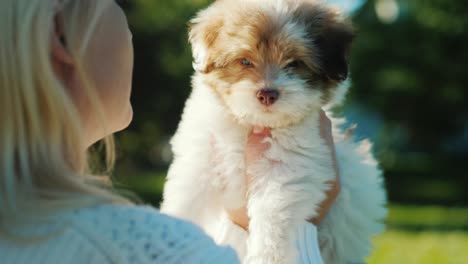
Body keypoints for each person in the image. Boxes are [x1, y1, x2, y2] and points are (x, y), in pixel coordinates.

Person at [0, 0, 340, 263]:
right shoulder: (137, 245)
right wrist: (301, 232)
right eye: (112, 3)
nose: (129, 28)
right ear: (61, 33)